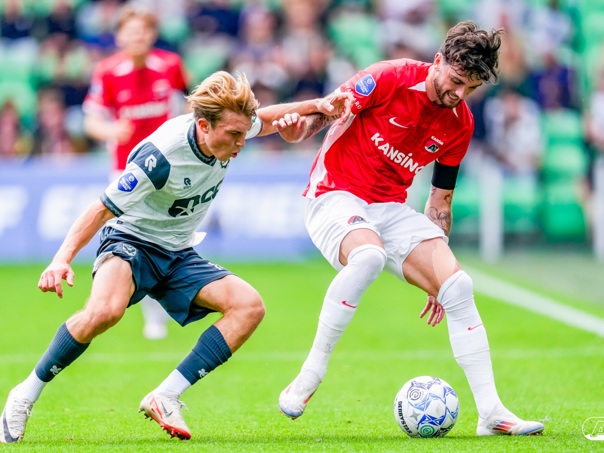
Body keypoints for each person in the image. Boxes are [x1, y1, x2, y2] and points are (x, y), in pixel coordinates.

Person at [0, 71, 352, 444]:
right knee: (104, 312)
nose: (242, 142)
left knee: (248, 306)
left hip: (178, 250)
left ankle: (166, 394)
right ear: (203, 125)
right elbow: (101, 209)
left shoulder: (230, 128)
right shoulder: (162, 156)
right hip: (131, 241)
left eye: (243, 133)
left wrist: (318, 105)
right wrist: (61, 259)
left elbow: (265, 119)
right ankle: (24, 394)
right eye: (234, 135)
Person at [278, 21, 545, 437]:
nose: (460, 94)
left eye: (471, 88)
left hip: (389, 207)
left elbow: (440, 200)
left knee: (458, 287)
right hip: (335, 193)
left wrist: (437, 270)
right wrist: (299, 130)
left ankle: (491, 413)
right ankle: (310, 373)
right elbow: (329, 110)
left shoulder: (460, 123)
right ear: (438, 60)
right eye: (456, 80)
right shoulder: (388, 77)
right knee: (369, 256)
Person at [83, 3, 189, 340]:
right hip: (125, 169)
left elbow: (190, 104)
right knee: (132, 239)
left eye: (142, 31)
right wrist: (112, 131)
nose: (137, 38)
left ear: (152, 35)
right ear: (119, 37)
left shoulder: (170, 65)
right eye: (130, 32)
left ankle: (168, 304)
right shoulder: (108, 71)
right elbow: (91, 121)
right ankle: (145, 313)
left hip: (168, 165)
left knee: (167, 236)